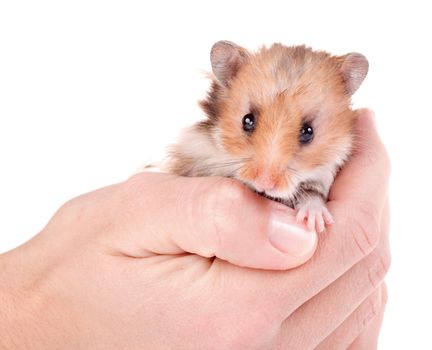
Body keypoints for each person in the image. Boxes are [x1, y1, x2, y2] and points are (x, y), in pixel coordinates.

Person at [0, 109, 390, 349]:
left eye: (305, 133)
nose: (269, 173)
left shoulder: (333, 161)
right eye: (251, 123)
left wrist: (312, 203)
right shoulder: (200, 156)